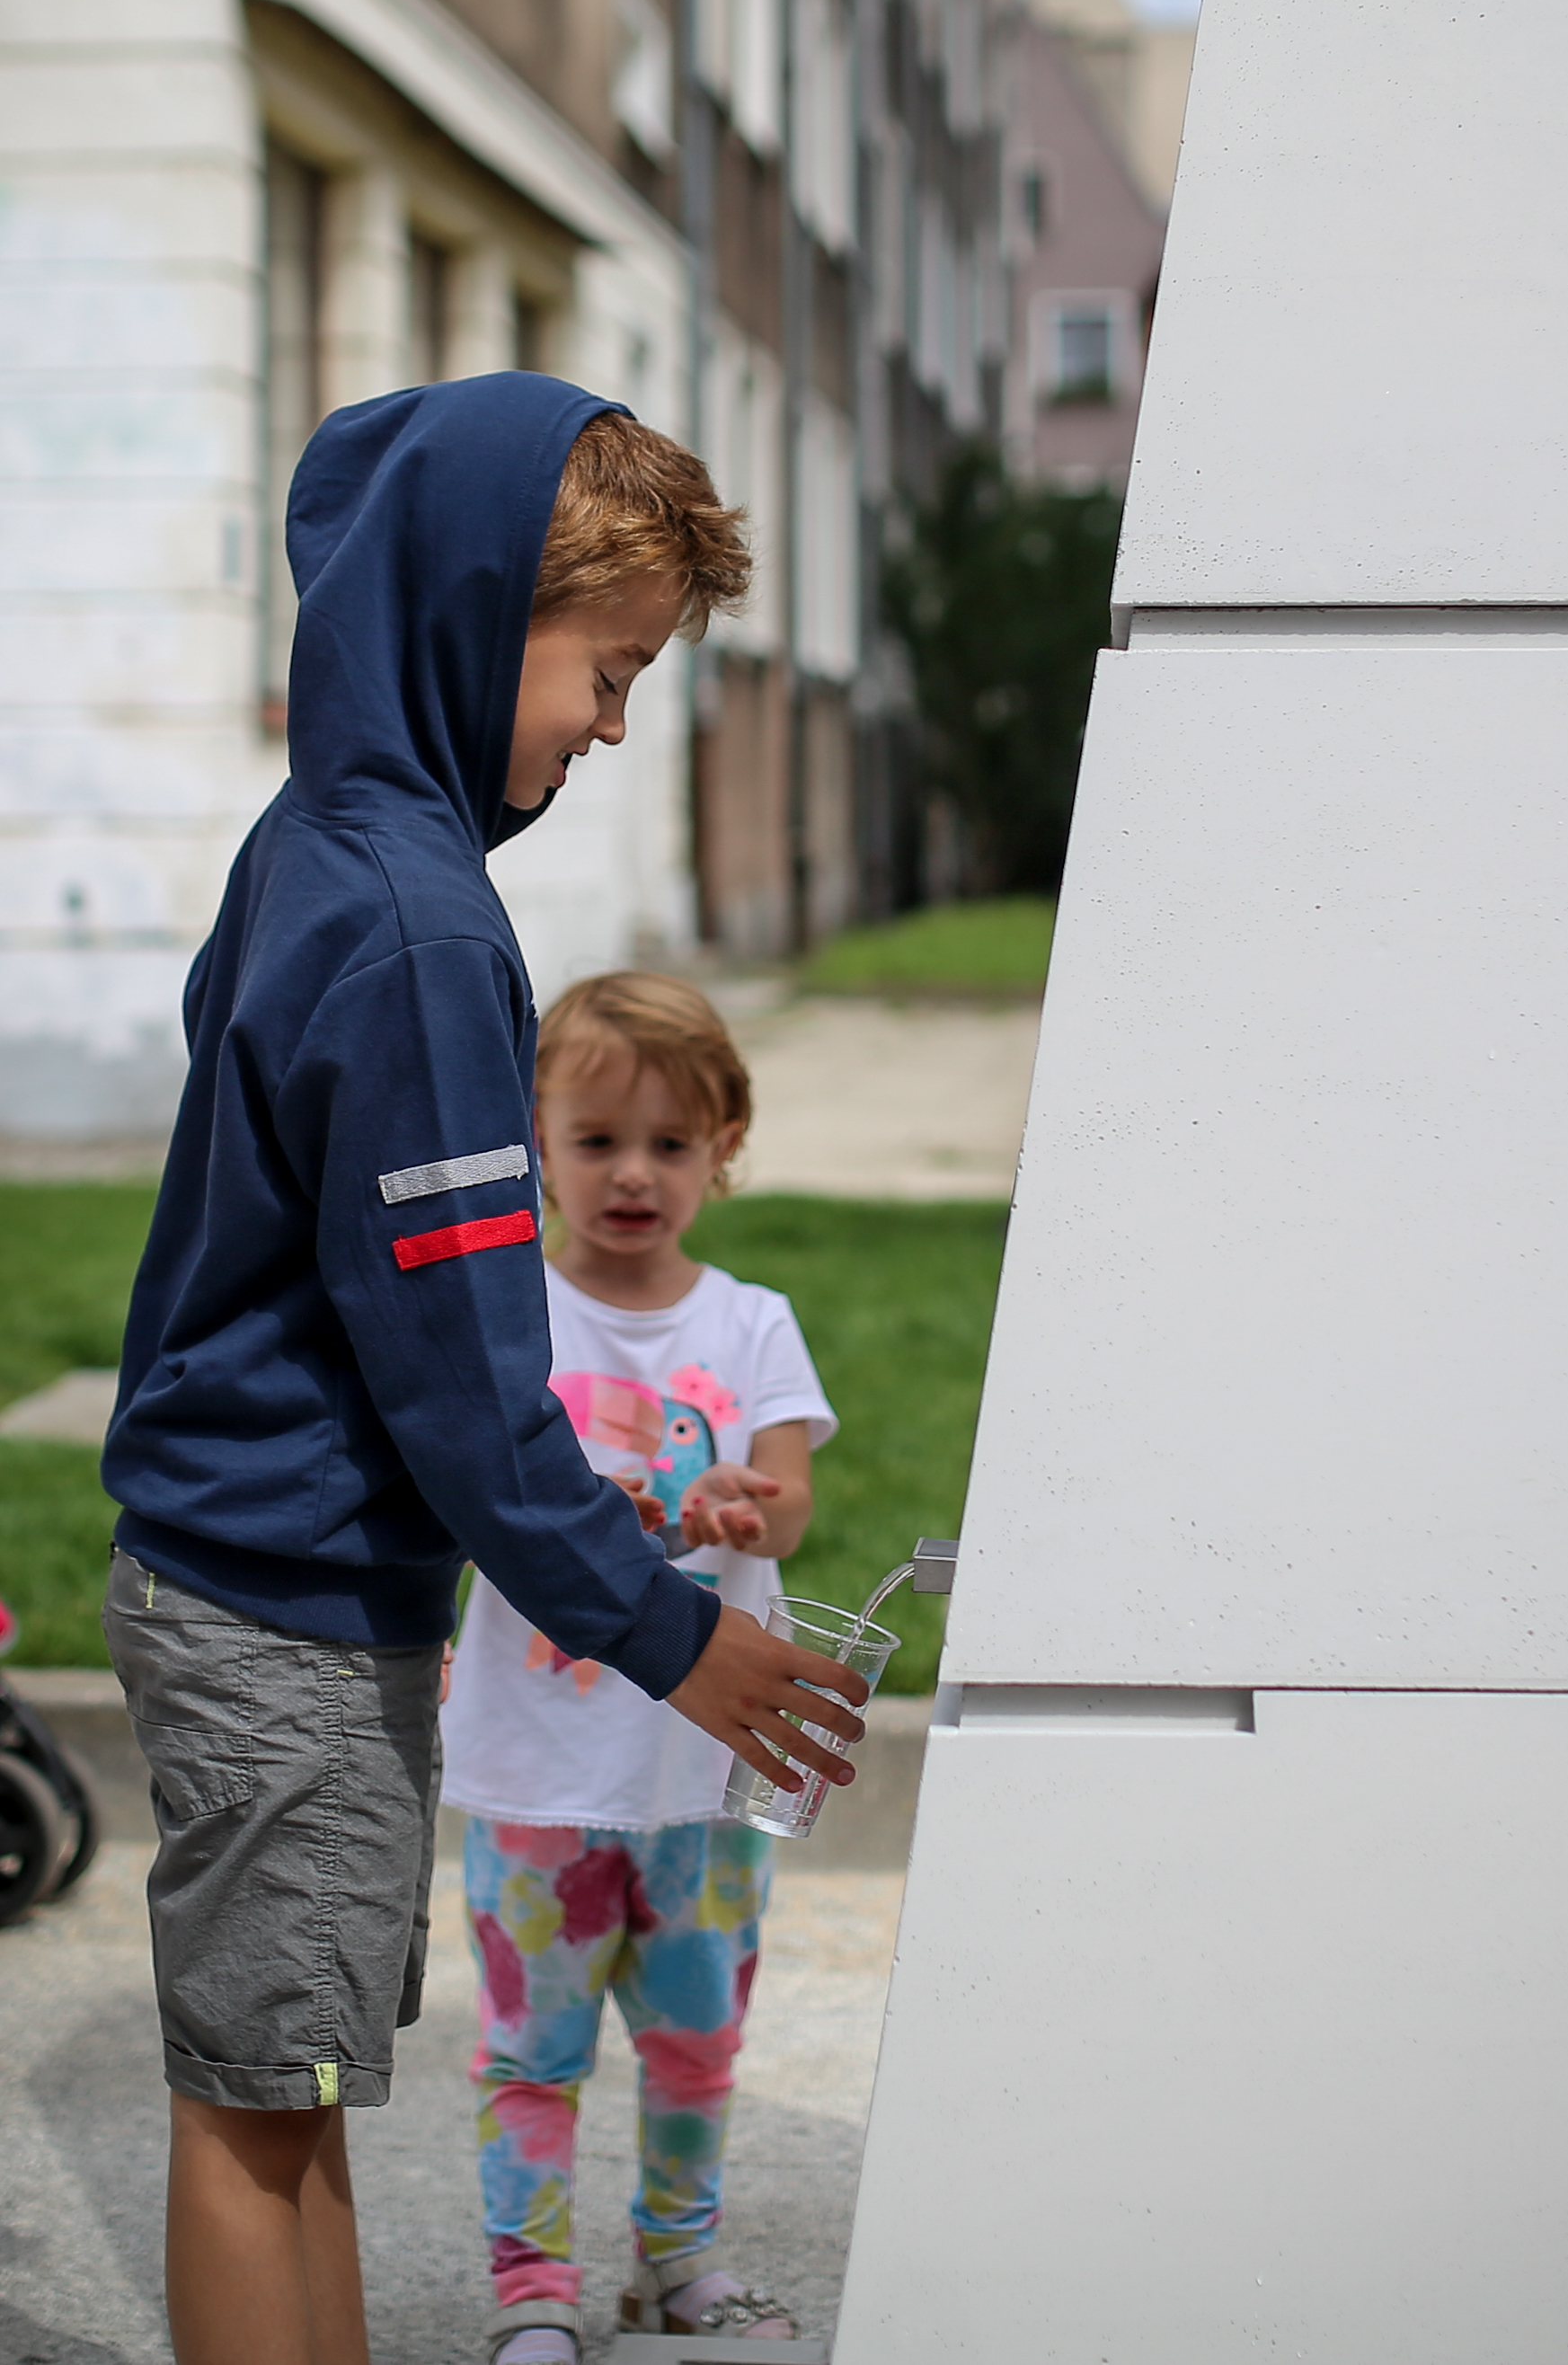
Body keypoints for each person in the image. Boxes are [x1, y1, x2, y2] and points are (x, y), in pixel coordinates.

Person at [99, 379, 867, 2365]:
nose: (613, 723)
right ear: (469, 609)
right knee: (260, 2116)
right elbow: (458, 1380)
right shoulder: (425, 932)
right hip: (282, 1596)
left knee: (288, 2093)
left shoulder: (324, 846)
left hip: (239, 1568)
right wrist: (663, 1629)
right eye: (606, 670)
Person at [441, 970, 825, 2353]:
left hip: (707, 1770)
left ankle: (679, 2262)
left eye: (671, 1142)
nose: (632, 1175)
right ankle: (531, 2293)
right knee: (531, 2052)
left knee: (694, 2042)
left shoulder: (750, 1321)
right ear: (532, 1140)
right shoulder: (503, 1323)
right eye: (595, 1139)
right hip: (539, 1764)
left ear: (725, 1148)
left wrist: (741, 1502)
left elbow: (791, 1496)